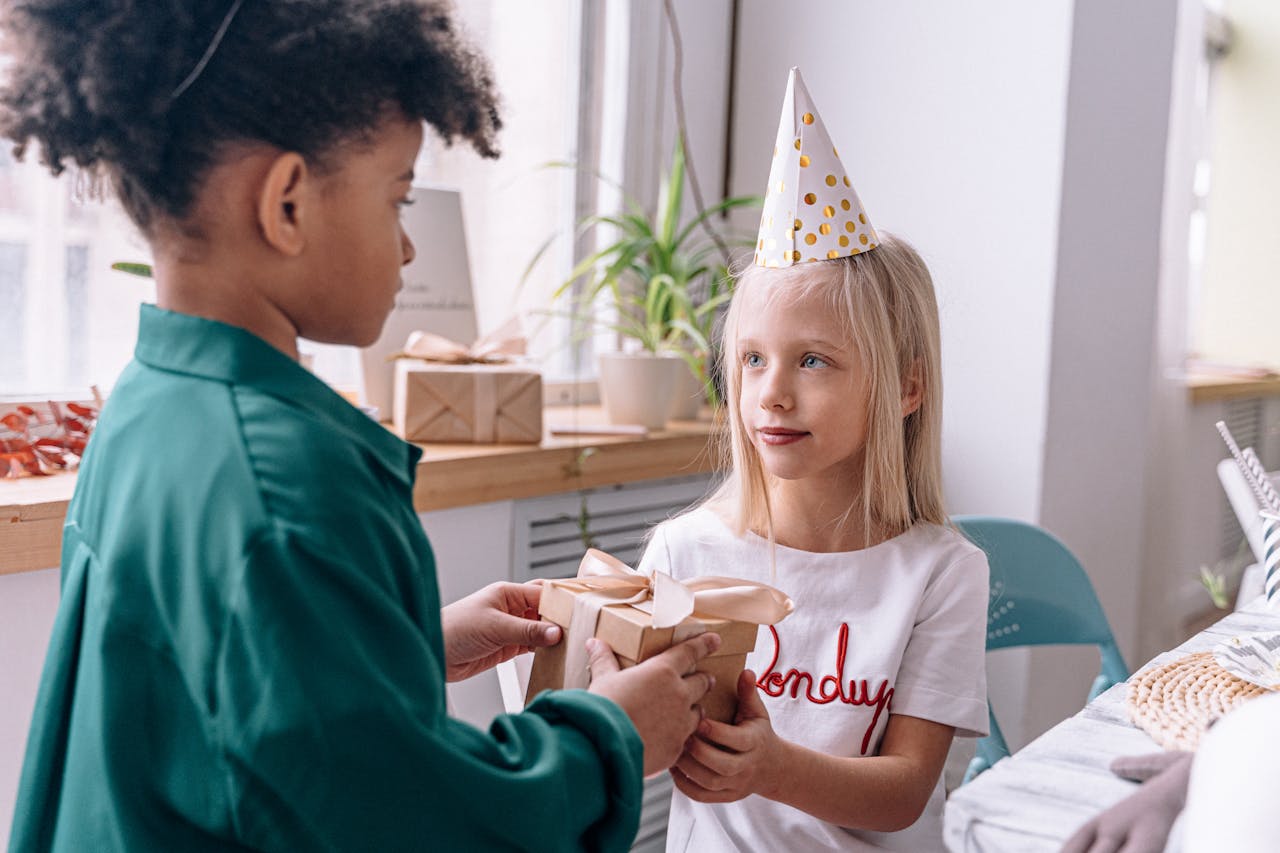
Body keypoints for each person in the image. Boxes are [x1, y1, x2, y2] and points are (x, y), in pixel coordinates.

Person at [0, 2, 719, 850]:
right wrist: (611, 737)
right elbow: (413, 823)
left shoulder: (149, 404)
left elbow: (222, 707)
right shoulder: (286, 482)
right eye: (399, 198)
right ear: (288, 205)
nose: (409, 249)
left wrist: (406, 644)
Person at [636, 68, 989, 852]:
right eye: (753, 359)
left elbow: (903, 791)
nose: (772, 395)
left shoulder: (941, 573)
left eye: (815, 362)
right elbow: (634, 749)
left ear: (906, 387)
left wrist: (769, 765)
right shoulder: (682, 555)